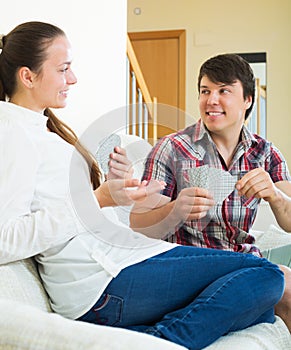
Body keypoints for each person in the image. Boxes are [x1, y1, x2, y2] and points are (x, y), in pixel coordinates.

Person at [0, 22, 285, 350]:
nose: (73, 78)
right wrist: (98, 199)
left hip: (121, 262)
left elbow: (86, 214)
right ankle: (159, 342)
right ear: (28, 76)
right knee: (267, 277)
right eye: (64, 69)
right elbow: (6, 240)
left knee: (262, 302)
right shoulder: (13, 135)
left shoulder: (42, 131)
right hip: (102, 283)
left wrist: (120, 194)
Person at [130, 53, 291, 331]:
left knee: (283, 285)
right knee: (282, 285)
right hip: (188, 266)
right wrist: (175, 209)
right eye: (205, 91)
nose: (211, 100)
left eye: (224, 91)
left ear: (247, 100)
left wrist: (276, 196)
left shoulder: (265, 153)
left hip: (243, 262)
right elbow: (139, 224)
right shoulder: (172, 149)